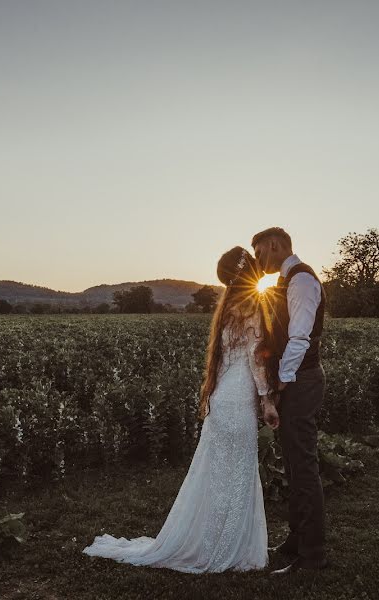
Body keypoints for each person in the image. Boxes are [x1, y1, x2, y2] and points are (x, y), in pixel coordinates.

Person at [82, 246, 279, 573]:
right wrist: (267, 400)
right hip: (239, 398)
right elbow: (257, 360)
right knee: (239, 472)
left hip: (221, 397)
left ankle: (210, 539)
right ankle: (230, 546)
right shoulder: (253, 307)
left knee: (218, 474)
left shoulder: (228, 307)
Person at [251, 226, 329, 575]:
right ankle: (296, 540)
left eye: (259, 253)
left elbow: (299, 338)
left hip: (301, 381)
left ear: (274, 245)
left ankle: (312, 556)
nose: (257, 261)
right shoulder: (286, 282)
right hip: (294, 380)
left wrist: (280, 385)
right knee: (295, 466)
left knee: (305, 466)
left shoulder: (301, 281)